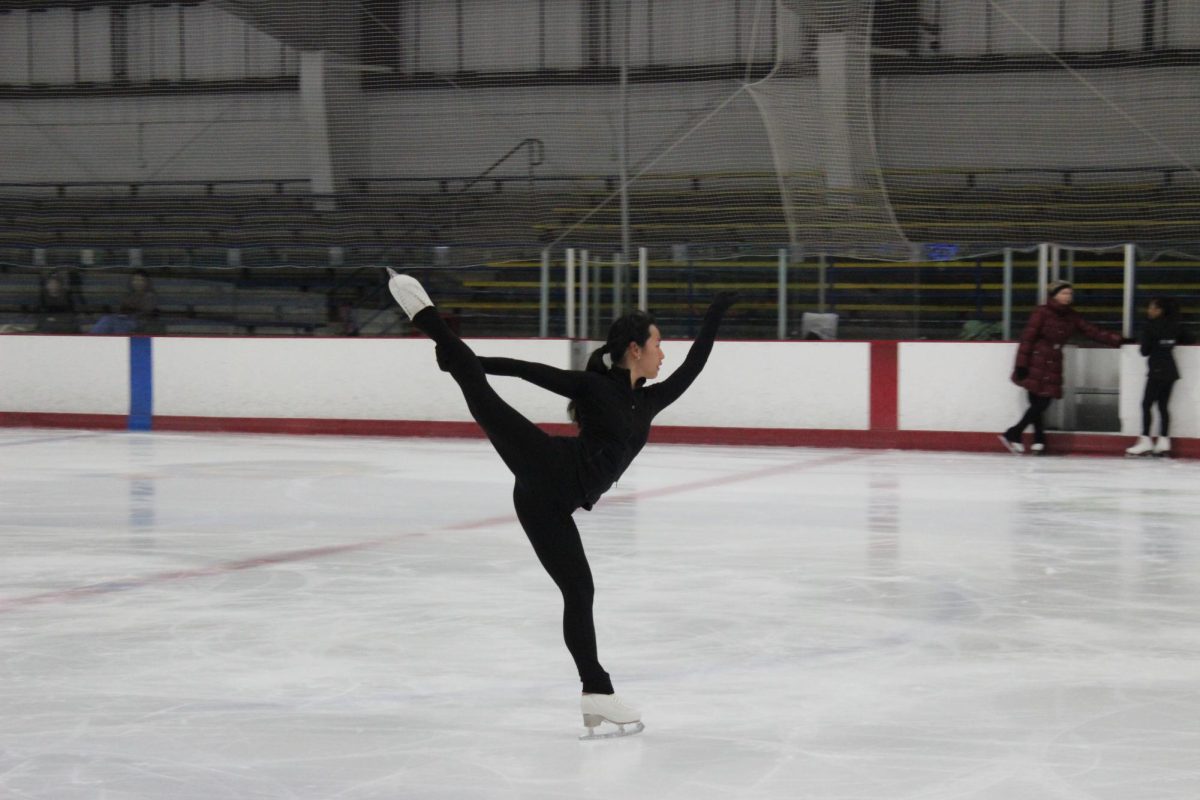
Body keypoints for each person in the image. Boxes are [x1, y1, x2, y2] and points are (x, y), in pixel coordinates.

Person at [385, 267, 736, 739]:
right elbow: (531, 372)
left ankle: (597, 694)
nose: (663, 353)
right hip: (546, 466)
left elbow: (695, 363)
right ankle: (424, 314)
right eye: (657, 343)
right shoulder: (596, 389)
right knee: (479, 392)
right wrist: (474, 360)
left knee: (580, 591)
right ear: (635, 349)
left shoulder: (650, 401)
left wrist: (717, 310)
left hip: (545, 504)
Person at [1000, 280, 1123, 454]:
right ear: (1054, 295)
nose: (1068, 297)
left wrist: (1117, 340)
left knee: (1041, 403)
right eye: (1064, 293)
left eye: (1070, 294)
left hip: (1053, 361)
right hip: (1036, 360)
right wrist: (1021, 364)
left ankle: (1033, 438)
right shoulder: (1041, 312)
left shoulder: (1071, 316)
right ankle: (1020, 435)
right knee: (1039, 402)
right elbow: (1028, 338)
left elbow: (1091, 331)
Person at [1126, 297, 1190, 457]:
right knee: (1163, 406)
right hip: (1171, 371)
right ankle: (1163, 442)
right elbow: (1189, 338)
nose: (1149, 311)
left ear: (1160, 310)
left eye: (1152, 308)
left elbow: (1144, 351)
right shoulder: (1175, 325)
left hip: (1156, 370)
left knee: (1146, 404)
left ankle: (1145, 440)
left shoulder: (1150, 327)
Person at [89, 270, 158, 335]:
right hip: (125, 321)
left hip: (138, 323)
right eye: (135, 280)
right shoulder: (129, 295)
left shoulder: (149, 296)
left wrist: (130, 310)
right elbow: (123, 309)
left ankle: (92, 338)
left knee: (108, 320)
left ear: (146, 282)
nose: (137, 282)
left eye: (140, 280)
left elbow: (145, 312)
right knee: (107, 319)